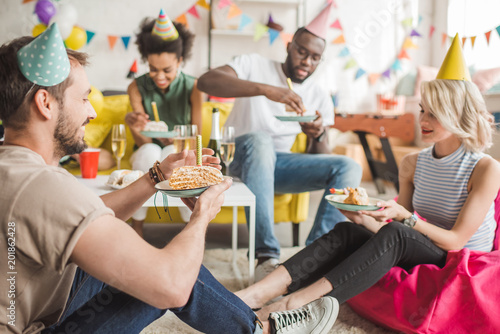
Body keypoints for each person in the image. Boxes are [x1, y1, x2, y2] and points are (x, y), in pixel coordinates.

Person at [0, 26, 341, 334]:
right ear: (44, 103)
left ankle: (255, 318)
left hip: (41, 303)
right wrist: (202, 214)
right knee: (167, 274)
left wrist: (157, 176)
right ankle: (262, 330)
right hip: (39, 326)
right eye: (85, 97)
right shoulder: (42, 185)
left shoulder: (19, 169)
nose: (92, 112)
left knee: (142, 264)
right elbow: (173, 286)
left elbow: (84, 215)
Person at [233, 35, 500, 322]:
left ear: (458, 116)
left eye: (434, 115)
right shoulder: (413, 163)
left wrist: (404, 217)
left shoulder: (486, 168)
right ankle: (252, 295)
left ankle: (293, 306)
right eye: (422, 110)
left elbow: (455, 241)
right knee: (348, 232)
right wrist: (361, 218)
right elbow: (398, 229)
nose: (422, 120)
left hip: (462, 257)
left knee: (397, 232)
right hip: (421, 241)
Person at [198, 19, 362, 280]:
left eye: (315, 57)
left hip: (278, 165)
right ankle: (266, 256)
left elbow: (321, 158)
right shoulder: (254, 64)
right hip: (234, 158)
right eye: (302, 52)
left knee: (349, 167)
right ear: (289, 46)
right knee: (261, 142)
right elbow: (206, 81)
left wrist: (317, 133)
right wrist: (266, 90)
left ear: (321, 60)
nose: (307, 61)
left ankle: (312, 259)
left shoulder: (319, 94)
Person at [125, 9, 204, 236]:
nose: (159, 77)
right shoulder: (136, 87)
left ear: (179, 61)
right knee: (151, 151)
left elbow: (196, 135)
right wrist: (134, 126)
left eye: (167, 70)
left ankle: (188, 228)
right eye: (153, 69)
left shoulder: (193, 86)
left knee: (174, 151)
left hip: (179, 148)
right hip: (146, 151)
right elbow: (143, 142)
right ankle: (137, 227)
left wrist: (179, 142)